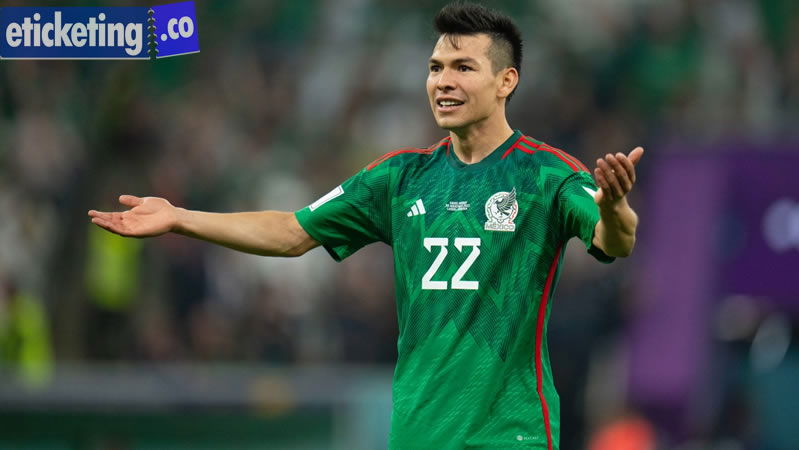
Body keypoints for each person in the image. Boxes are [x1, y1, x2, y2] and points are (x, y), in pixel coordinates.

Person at [88, 3, 642, 449]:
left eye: (463, 67)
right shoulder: (399, 177)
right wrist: (180, 218)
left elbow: (613, 239)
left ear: (505, 81)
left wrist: (615, 206)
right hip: (417, 434)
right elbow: (292, 232)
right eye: (435, 68)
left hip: (508, 434)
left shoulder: (546, 174)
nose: (443, 81)